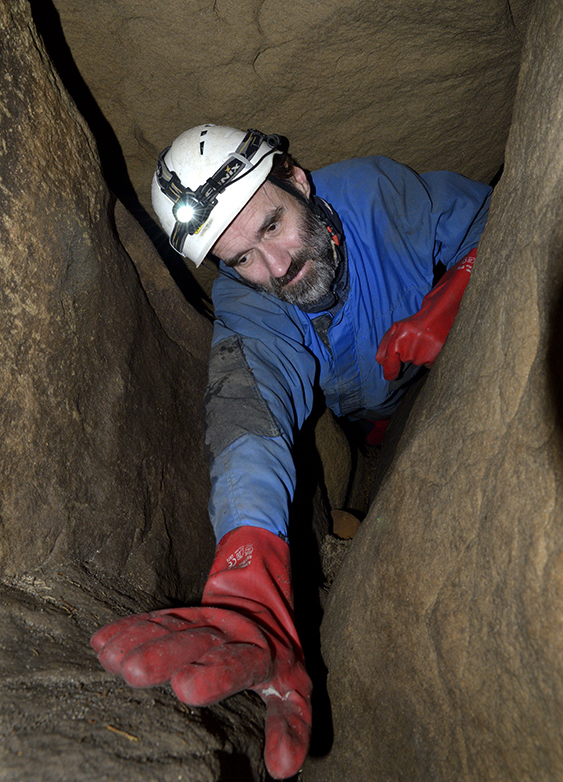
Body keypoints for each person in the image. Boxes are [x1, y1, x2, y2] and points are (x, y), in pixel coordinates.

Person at [91, 125, 492, 779]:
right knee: (362, 432)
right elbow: (250, 420)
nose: (274, 268)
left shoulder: (376, 195)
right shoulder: (248, 301)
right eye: (240, 257)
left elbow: (492, 214)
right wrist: (248, 569)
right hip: (361, 411)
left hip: (420, 368)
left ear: (297, 180)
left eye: (271, 225)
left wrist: (463, 289)